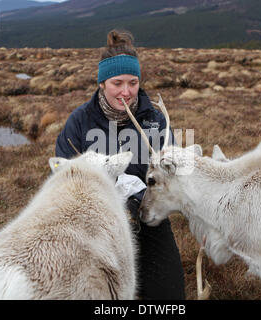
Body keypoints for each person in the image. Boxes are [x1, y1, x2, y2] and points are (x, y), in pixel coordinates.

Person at [55, 29, 186, 300]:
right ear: (102, 83)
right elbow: (64, 179)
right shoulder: (80, 122)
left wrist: (138, 200)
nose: (126, 92)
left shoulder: (156, 120)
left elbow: (170, 176)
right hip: (91, 223)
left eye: (133, 82)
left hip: (146, 219)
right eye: (117, 83)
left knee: (169, 295)